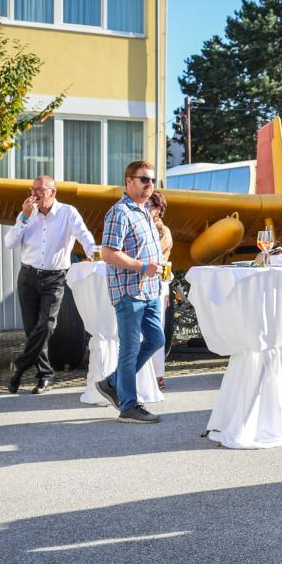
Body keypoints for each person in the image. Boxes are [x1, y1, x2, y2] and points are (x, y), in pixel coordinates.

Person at [4, 175, 97, 395]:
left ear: (53, 192)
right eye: (32, 189)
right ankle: (45, 375)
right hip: (27, 277)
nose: (34, 194)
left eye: (40, 190)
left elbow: (84, 236)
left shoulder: (68, 212)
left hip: (54, 278)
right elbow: (9, 243)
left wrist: (93, 254)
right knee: (32, 330)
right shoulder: (26, 215)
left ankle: (19, 367)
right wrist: (23, 218)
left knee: (46, 326)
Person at [96, 161, 165, 424]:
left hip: (150, 290)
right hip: (129, 292)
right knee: (130, 348)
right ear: (129, 181)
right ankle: (128, 406)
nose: (150, 184)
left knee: (156, 340)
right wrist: (143, 267)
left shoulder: (144, 210)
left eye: (152, 180)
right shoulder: (120, 212)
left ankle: (113, 382)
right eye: (144, 179)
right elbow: (108, 253)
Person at [148, 190, 171, 390]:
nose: (147, 208)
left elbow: (161, 262)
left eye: (151, 205)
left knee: (155, 330)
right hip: (149, 280)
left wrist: (166, 289)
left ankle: (157, 375)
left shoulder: (162, 231)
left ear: (158, 209)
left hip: (156, 282)